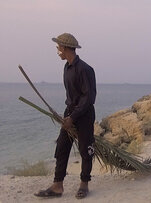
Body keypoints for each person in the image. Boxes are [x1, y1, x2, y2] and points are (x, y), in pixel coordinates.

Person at [34, 33, 96, 199]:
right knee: (62, 147)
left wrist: (73, 117)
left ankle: (84, 184)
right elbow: (72, 95)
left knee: (85, 149)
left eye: (59, 47)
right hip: (70, 112)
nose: (57, 50)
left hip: (84, 115)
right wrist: (67, 114)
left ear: (66, 48)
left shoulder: (85, 69)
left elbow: (88, 98)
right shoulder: (66, 67)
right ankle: (57, 185)